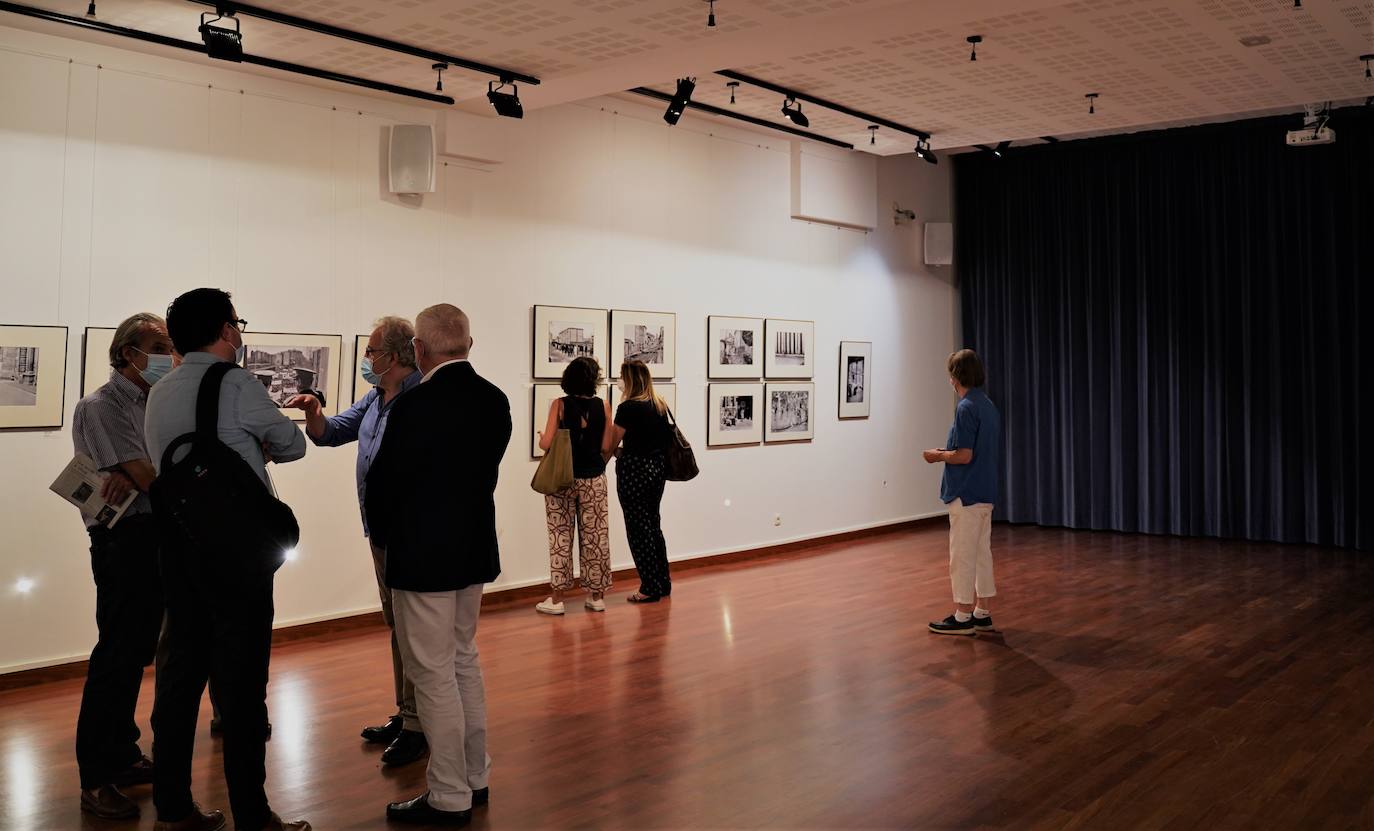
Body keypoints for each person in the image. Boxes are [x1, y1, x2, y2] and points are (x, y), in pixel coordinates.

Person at [144, 288, 311, 831]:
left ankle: (173, 808)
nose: (239, 333)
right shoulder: (235, 382)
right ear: (224, 330)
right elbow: (291, 445)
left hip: (178, 547)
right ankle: (253, 816)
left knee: (178, 680)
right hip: (237, 554)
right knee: (241, 689)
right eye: (236, 323)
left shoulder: (160, 391)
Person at [365, 303, 511, 827]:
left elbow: (382, 489)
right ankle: (476, 775)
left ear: (420, 350)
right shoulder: (495, 400)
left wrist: (385, 538)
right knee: (462, 659)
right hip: (471, 551)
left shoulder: (413, 407)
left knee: (431, 674)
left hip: (423, 556)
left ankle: (449, 794)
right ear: (468, 344)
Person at [285, 316, 427, 767]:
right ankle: (407, 713)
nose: (367, 359)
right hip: (380, 529)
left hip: (409, 530)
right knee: (396, 625)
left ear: (398, 354)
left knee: (412, 628)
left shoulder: (421, 397)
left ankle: (419, 724)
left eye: (372, 351)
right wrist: (313, 413)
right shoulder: (376, 395)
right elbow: (333, 433)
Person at [70, 313, 174, 820]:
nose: (165, 354)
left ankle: (124, 752)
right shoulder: (101, 406)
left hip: (152, 533)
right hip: (122, 540)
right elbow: (149, 474)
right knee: (115, 653)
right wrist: (146, 474)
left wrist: (147, 474)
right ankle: (96, 776)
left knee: (135, 652)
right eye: (157, 345)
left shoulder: (159, 400)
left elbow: (152, 472)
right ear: (127, 352)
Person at [923, 348, 1003, 637]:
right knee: (982, 553)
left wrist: (937, 456)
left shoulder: (966, 407)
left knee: (963, 555)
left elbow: (965, 455)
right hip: (985, 490)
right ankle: (982, 612)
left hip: (966, 493)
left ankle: (962, 615)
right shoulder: (988, 405)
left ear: (954, 377)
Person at [534, 356, 614, 615]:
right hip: (594, 480)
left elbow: (546, 444)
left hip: (562, 479)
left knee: (560, 536)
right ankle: (596, 596)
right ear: (594, 380)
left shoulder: (559, 405)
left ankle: (557, 600)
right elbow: (605, 446)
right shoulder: (605, 406)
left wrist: (540, 438)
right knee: (595, 536)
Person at [605, 360, 674, 603]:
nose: (619, 382)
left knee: (637, 529)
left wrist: (610, 454)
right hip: (657, 469)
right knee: (653, 525)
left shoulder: (628, 408)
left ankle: (648, 587)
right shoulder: (659, 404)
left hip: (634, 472)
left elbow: (611, 443)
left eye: (622, 377)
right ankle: (662, 582)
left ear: (630, 380)